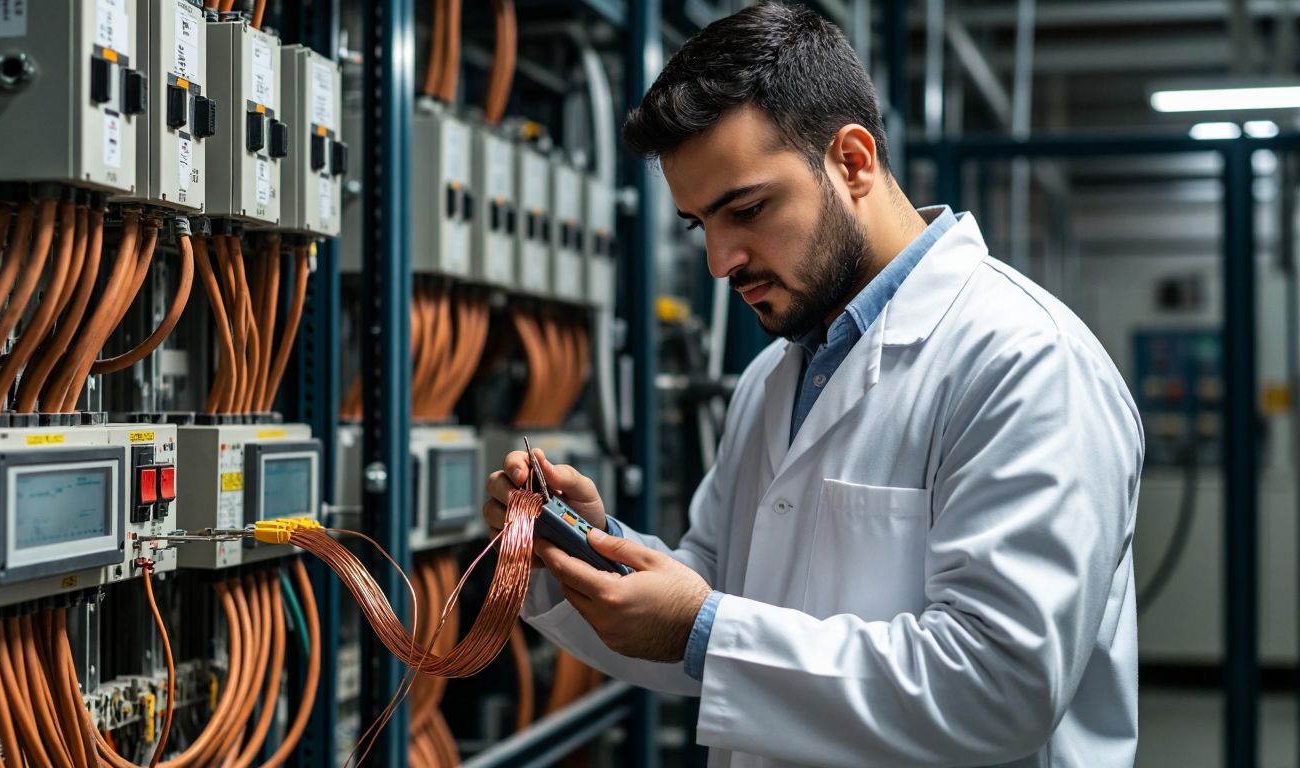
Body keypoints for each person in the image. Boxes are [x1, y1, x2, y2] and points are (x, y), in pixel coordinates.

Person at [485, 3, 1141, 766]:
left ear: (854, 161)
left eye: (748, 209)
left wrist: (703, 629)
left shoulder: (1025, 362)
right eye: (701, 225)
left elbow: (1000, 685)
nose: (720, 261)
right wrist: (593, 552)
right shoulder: (775, 375)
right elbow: (719, 596)